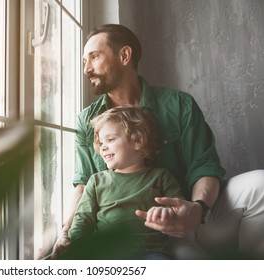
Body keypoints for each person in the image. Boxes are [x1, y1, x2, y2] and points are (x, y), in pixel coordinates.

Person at [52, 23, 264, 259]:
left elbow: (204, 166)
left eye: (94, 57)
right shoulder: (87, 120)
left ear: (124, 55)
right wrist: (65, 233)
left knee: (260, 184)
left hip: (190, 218)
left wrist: (197, 209)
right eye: (84, 61)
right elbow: (82, 186)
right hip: (126, 231)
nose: (86, 69)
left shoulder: (180, 105)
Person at [54, 106, 188, 259]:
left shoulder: (161, 176)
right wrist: (73, 244)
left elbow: (178, 207)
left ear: (137, 141)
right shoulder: (96, 181)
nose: (103, 147)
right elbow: (83, 218)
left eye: (110, 140)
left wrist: (168, 213)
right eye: (101, 142)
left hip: (151, 251)